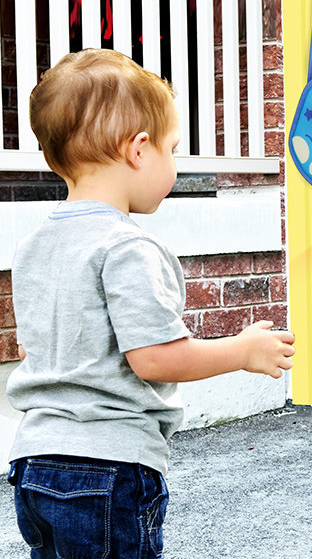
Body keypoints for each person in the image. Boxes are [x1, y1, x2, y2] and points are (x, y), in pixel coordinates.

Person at [6, 49, 296, 556]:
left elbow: (35, 350)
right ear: (139, 150)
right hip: (108, 468)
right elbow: (155, 357)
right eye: (172, 149)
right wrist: (243, 350)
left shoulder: (35, 245)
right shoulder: (127, 246)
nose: (174, 164)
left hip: (33, 463)